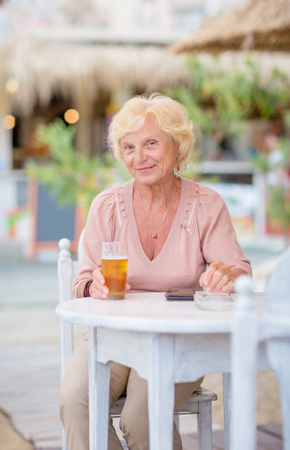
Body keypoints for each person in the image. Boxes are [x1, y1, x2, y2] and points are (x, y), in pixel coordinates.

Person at [60, 93, 252, 450]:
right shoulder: (107, 206)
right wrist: (94, 287)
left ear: (177, 146)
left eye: (150, 143)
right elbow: (82, 281)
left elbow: (239, 272)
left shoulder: (206, 205)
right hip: (112, 335)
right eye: (129, 147)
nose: (139, 157)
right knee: (76, 401)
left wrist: (227, 274)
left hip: (178, 340)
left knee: (140, 417)